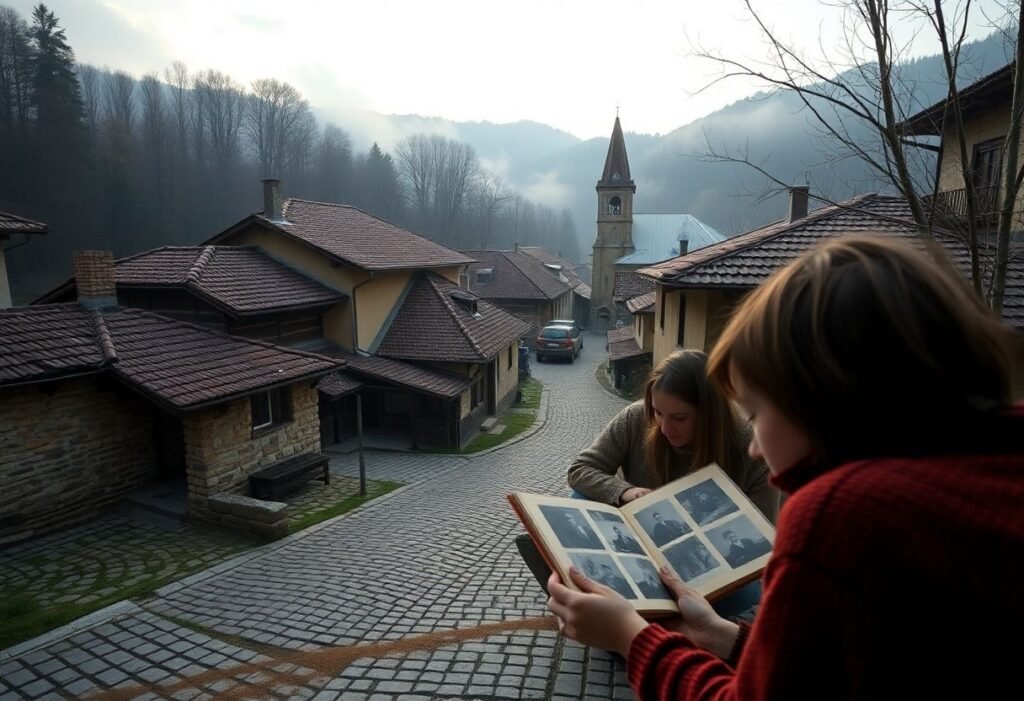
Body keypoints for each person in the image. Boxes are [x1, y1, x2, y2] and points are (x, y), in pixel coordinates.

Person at [547, 236, 1024, 699]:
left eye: (755, 413)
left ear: (821, 399)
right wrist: (729, 641)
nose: (755, 447)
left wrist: (634, 639)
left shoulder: (838, 515)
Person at [567, 349, 779, 522]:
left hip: (709, 557)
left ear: (710, 415)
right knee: (579, 497)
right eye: (658, 413)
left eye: (679, 418)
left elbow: (764, 530)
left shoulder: (751, 448)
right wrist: (624, 492)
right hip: (640, 536)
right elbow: (580, 470)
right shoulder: (636, 417)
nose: (665, 428)